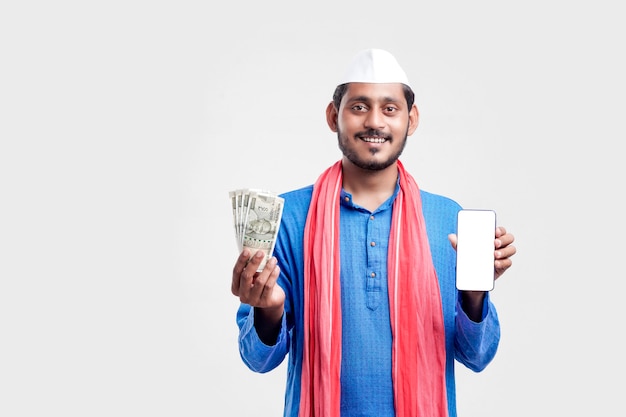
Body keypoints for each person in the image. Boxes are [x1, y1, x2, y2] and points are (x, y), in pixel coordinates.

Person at [230, 48, 517, 417]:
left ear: (411, 120)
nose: (375, 122)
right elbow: (257, 359)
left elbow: (476, 356)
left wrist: (475, 294)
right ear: (334, 116)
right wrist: (270, 310)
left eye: (390, 109)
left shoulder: (448, 218)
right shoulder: (289, 217)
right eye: (359, 107)